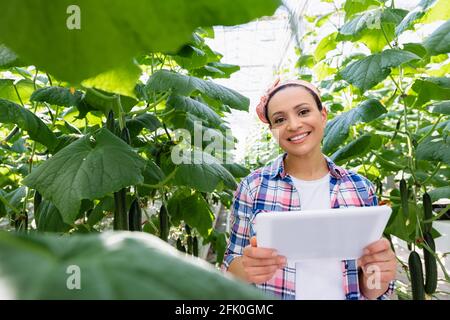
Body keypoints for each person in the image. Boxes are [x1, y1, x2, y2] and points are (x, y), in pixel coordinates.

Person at [221, 78, 396, 300]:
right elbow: (230, 268)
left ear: (323, 115)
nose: (293, 125)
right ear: (272, 130)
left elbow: (371, 288)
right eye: (280, 119)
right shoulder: (253, 187)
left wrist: (378, 272)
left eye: (303, 112)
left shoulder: (360, 188)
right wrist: (248, 268)